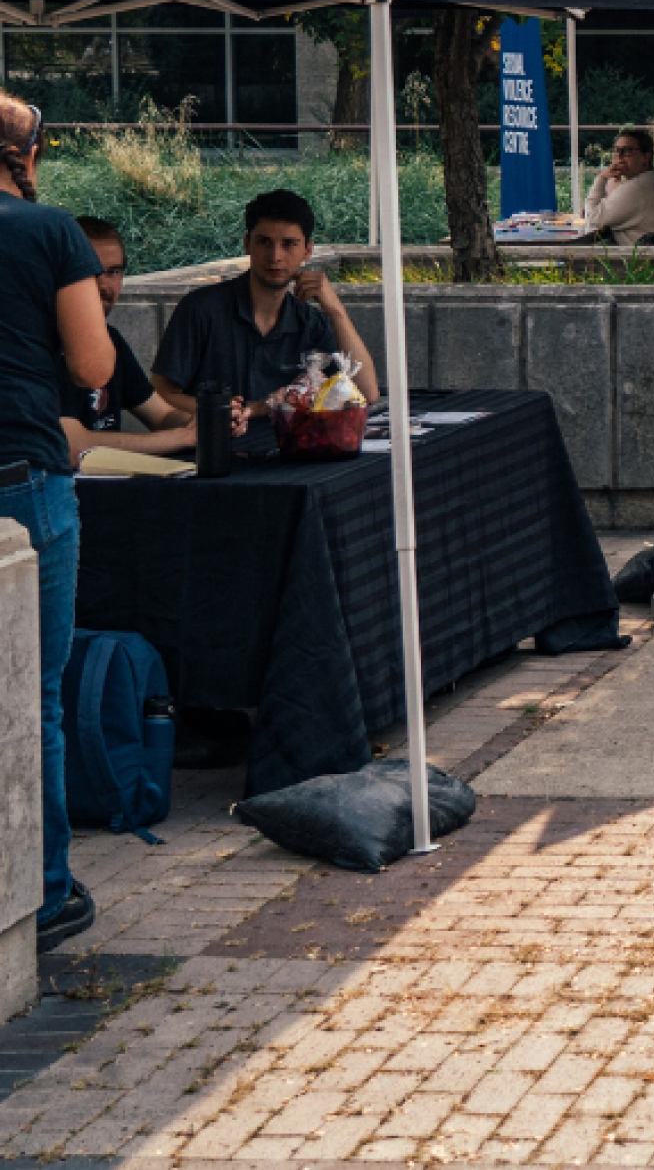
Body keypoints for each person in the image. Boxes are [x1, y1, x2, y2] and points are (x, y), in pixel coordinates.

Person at [0, 91, 115, 952]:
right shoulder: (49, 233)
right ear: (29, 153)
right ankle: (41, 893)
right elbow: (93, 362)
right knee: (30, 692)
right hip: (23, 481)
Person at [150, 188, 379, 418]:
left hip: (294, 448)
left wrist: (336, 311)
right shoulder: (201, 309)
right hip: (213, 448)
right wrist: (251, 409)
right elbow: (160, 395)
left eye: (289, 244)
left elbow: (366, 394)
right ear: (247, 244)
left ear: (307, 250)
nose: (275, 256)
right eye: (264, 242)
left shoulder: (311, 322)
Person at [57, 217, 242, 461]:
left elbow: (161, 416)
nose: (103, 285)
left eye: (113, 272)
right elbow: (68, 446)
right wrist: (184, 437)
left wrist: (210, 421)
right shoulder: (33, 345)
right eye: (90, 272)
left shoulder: (110, 339)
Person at [580, 129, 654, 246]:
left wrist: (601, 178)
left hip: (647, 261)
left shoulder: (640, 186)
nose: (619, 156)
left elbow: (592, 219)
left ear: (646, 157)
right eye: (616, 150)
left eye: (627, 151)